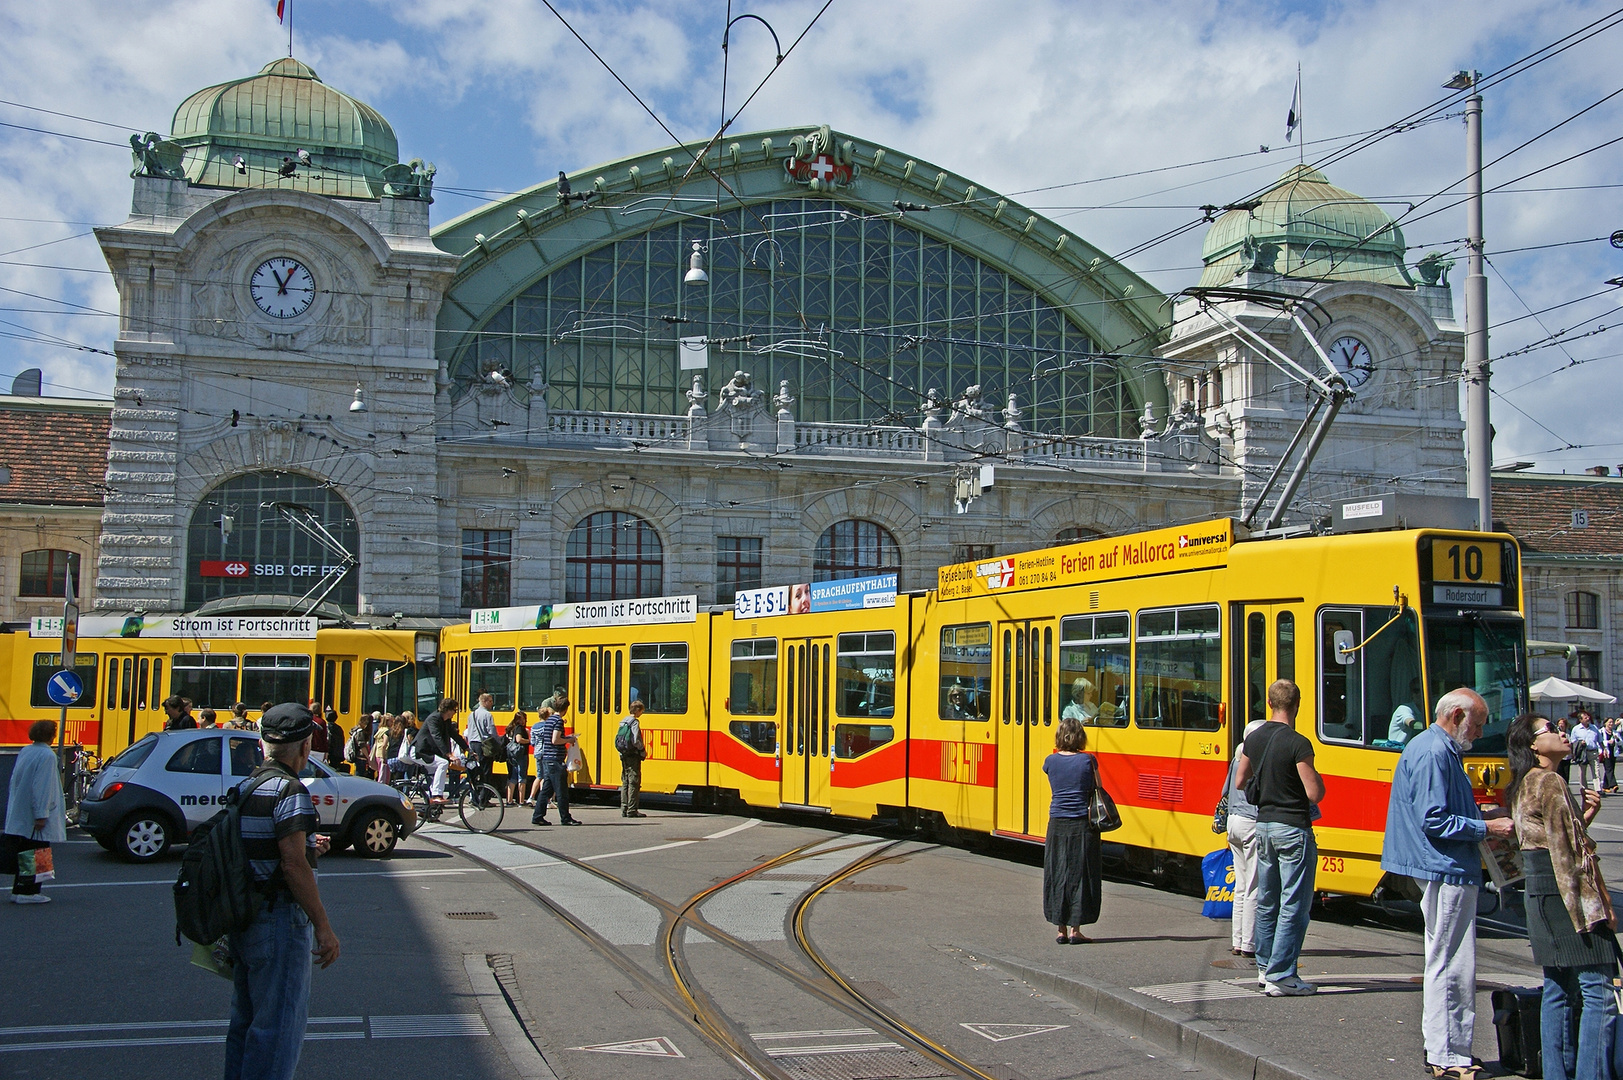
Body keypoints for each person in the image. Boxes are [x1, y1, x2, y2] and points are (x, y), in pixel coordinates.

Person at [1382, 687, 1515, 1080]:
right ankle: (1448, 1054)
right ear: (1456, 715)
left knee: (1448, 960)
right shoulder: (1435, 751)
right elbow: (1434, 819)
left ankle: (1445, 1049)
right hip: (1444, 866)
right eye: (1476, 725)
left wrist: (1479, 814)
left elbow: (1436, 813)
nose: (1477, 734)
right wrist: (1485, 825)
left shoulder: (1434, 748)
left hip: (1441, 864)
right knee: (1452, 962)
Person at [224, 703, 339, 1080]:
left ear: (263, 745)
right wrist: (323, 926)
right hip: (278, 922)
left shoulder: (247, 785)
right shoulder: (290, 790)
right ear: (305, 748)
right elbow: (292, 865)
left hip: (244, 918)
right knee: (277, 1032)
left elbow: (262, 851)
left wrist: (307, 848)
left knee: (246, 1023)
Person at [1507, 714, 1616, 1080]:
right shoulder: (1551, 781)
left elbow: (1548, 841)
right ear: (1533, 745)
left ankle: (1557, 1072)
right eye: (1550, 730)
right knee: (1598, 990)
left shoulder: (1525, 783)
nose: (1561, 732)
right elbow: (1568, 855)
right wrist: (1598, 906)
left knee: (1558, 988)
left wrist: (1584, 814)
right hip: (1566, 896)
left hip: (1541, 894)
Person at [1232, 679, 1323, 996]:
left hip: (1264, 826)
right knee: (1294, 904)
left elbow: (1241, 780)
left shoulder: (1254, 739)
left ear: (1269, 704)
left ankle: (1264, 968)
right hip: (1293, 829)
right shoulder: (1298, 742)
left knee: (1267, 900)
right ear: (1296, 705)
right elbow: (1314, 792)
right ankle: (1282, 974)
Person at [1041, 716, 1100, 943]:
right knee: (1080, 875)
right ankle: (1076, 930)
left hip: (1056, 823)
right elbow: (1098, 788)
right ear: (1080, 737)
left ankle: (1060, 930)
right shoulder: (1088, 761)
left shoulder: (1050, 761)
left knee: (1058, 874)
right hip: (1081, 824)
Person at [3, 720, 64, 904]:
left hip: (21, 809)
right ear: (51, 736)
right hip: (36, 814)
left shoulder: (27, 750)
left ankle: (19, 889)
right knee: (37, 852)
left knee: (25, 849)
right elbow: (43, 787)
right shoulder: (47, 755)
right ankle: (29, 891)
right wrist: (41, 814)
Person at [1223, 718, 1267, 958]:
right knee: (1253, 885)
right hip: (1251, 823)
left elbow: (1225, 791)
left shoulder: (1236, 758)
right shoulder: (1257, 761)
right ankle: (1249, 944)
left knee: (1240, 885)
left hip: (1233, 823)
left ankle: (1237, 940)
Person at [531, 699, 580, 826]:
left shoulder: (549, 719)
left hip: (547, 758)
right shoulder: (558, 721)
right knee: (561, 790)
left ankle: (537, 816)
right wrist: (569, 739)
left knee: (546, 790)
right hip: (555, 760)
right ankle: (565, 818)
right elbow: (555, 739)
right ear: (565, 709)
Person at [416, 700, 467, 803]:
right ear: (448, 710)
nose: (455, 713)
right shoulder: (433, 718)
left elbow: (454, 735)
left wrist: (467, 748)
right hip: (421, 751)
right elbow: (436, 736)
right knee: (443, 763)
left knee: (435, 779)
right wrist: (448, 754)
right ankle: (437, 795)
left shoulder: (446, 721)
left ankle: (428, 810)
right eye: (454, 710)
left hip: (430, 752)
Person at [618, 699, 647, 817]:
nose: (642, 714)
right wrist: (642, 750)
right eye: (642, 711)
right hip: (632, 755)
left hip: (623, 754)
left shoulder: (623, 721)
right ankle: (632, 809)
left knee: (625, 781)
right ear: (638, 711)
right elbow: (635, 740)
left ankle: (624, 808)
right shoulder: (634, 722)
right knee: (634, 781)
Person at [466, 692, 499, 787]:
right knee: (486, 771)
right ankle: (483, 798)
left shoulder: (471, 715)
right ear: (484, 702)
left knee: (474, 770)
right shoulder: (487, 715)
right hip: (484, 745)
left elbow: (469, 731)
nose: (492, 703)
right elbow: (492, 732)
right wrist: (498, 742)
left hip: (472, 744)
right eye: (490, 701)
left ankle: (474, 797)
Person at [1570, 712, 1602, 794]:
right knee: (1582, 772)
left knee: (1596, 770)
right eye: (1585, 718)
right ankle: (1584, 788)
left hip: (1593, 752)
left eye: (1588, 717)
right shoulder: (1576, 729)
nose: (1588, 719)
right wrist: (1580, 743)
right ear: (1580, 720)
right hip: (1582, 753)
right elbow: (1573, 742)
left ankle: (1598, 789)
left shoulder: (1594, 728)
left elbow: (1600, 740)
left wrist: (1604, 749)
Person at [1388, 678, 1425, 745]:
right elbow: (1412, 724)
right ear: (1411, 694)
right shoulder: (1404, 709)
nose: (1420, 694)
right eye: (1416, 691)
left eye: (1423, 690)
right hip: (1398, 749)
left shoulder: (1431, 709)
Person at [505, 711, 530, 806]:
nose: (524, 721)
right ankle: (521, 800)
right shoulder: (520, 728)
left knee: (513, 777)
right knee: (522, 778)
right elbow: (518, 739)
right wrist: (529, 741)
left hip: (513, 756)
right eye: (523, 719)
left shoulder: (512, 728)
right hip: (521, 755)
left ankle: (509, 800)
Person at [346, 714, 374, 779]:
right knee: (360, 776)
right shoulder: (360, 732)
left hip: (358, 757)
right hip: (361, 757)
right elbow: (362, 746)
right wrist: (368, 757)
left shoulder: (357, 730)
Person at [1600, 718, 1617, 794]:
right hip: (1605, 752)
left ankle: (1605, 786)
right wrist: (1607, 742)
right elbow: (1599, 742)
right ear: (1605, 723)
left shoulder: (1614, 732)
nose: (1611, 724)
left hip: (1613, 752)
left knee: (1611, 769)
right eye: (1609, 722)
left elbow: (1620, 742)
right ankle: (1614, 784)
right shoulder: (1601, 732)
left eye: (1612, 722)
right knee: (1609, 768)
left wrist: (1617, 740)